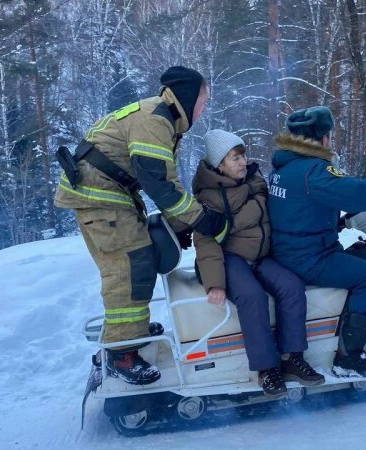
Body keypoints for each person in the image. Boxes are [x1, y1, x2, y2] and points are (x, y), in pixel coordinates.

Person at [54, 66, 229, 386]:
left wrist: (180, 223)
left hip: (110, 195)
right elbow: (159, 184)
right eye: (204, 101)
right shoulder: (156, 121)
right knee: (130, 269)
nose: (204, 109)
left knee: (139, 261)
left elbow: (165, 181)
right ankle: (121, 353)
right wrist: (200, 219)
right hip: (101, 198)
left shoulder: (162, 117)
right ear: (189, 98)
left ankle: (128, 333)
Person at [267, 106, 366, 378]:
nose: (331, 140)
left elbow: (299, 209)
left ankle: (365, 329)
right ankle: (349, 357)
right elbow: (355, 191)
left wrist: (338, 222)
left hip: (289, 250)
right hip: (309, 258)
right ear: (321, 138)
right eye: (329, 135)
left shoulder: (284, 167)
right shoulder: (314, 170)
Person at [193, 129, 324, 397]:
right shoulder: (208, 197)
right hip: (230, 257)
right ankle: (267, 369)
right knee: (252, 295)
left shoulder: (256, 179)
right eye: (234, 158)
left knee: (291, 286)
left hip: (262, 255)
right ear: (219, 164)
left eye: (243, 156)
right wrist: (215, 284)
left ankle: (291, 358)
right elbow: (206, 242)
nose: (242, 162)